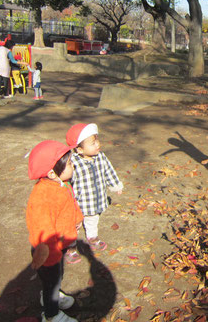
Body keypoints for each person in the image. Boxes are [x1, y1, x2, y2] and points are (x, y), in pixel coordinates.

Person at [27, 140, 83, 322]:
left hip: (60, 244)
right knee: (52, 279)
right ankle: (51, 315)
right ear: (51, 172)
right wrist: (51, 257)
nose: (72, 165)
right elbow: (42, 230)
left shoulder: (62, 184)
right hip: (49, 251)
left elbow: (71, 202)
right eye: (69, 164)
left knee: (56, 278)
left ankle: (51, 295)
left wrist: (77, 218)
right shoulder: (43, 196)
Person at [64, 123, 123, 263]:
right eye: (92, 143)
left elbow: (109, 171)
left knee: (93, 219)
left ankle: (92, 237)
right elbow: (67, 181)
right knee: (74, 226)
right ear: (79, 149)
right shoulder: (73, 162)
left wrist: (115, 185)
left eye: (97, 140)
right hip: (79, 202)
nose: (97, 144)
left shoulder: (101, 157)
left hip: (94, 200)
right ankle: (70, 248)